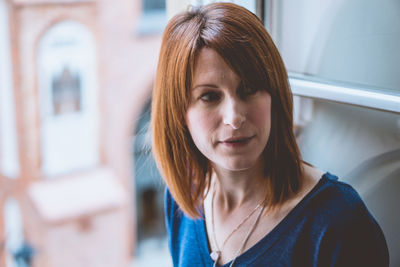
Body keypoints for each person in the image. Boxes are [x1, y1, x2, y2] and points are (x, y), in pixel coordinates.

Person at [151, 2, 389, 267]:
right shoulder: (183, 197)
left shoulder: (339, 224)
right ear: (178, 111)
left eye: (250, 88)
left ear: (274, 94)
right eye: (209, 96)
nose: (234, 118)